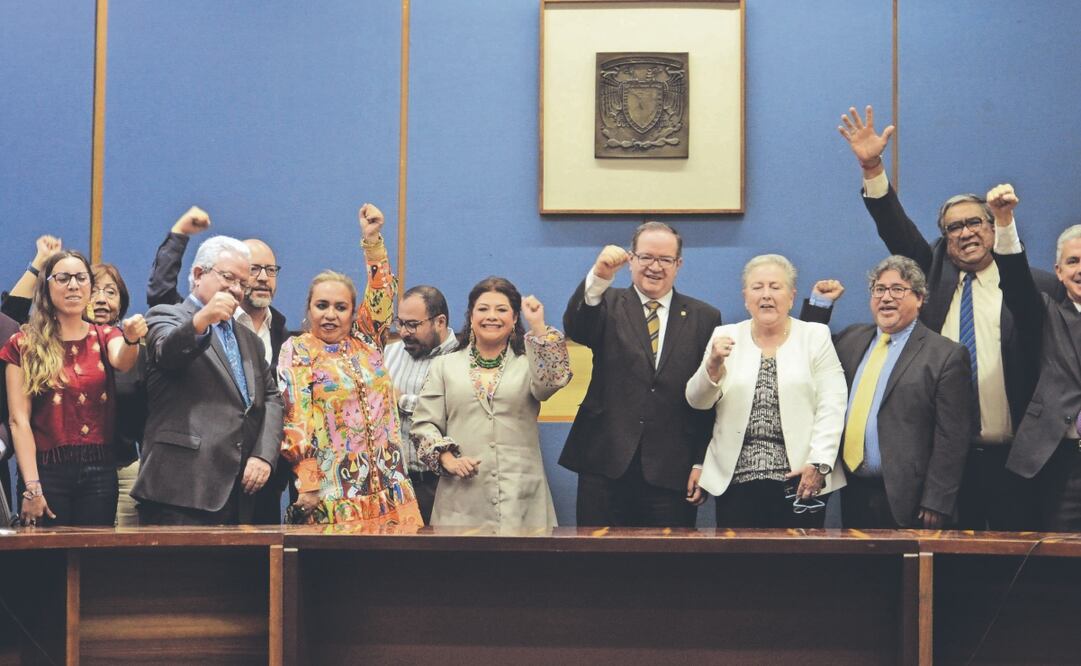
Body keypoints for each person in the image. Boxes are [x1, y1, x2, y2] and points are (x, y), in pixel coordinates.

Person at [838, 105, 1054, 530]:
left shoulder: (1030, 286)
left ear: (993, 228)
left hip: (1014, 458)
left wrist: (1007, 222)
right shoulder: (933, 272)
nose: (965, 232)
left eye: (975, 222)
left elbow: (1026, 303)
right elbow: (895, 227)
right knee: (950, 563)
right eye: (953, 227)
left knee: (1012, 560)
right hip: (941, 463)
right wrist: (872, 167)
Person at [561, 221, 722, 527]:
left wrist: (701, 461)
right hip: (605, 463)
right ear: (631, 259)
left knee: (668, 557)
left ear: (678, 264)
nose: (654, 267)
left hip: (672, 470)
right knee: (596, 555)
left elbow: (709, 395)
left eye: (665, 259)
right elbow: (577, 327)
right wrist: (599, 276)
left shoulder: (705, 317)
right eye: (646, 257)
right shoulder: (606, 302)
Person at [147, 206, 294, 524]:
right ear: (199, 274)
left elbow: (271, 398)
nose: (237, 289)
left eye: (242, 282)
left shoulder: (249, 338)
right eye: (228, 278)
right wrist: (202, 320)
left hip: (242, 492)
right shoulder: (167, 315)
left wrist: (263, 454)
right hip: (182, 490)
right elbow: (168, 354)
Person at [278, 204, 421, 527]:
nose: (331, 314)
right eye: (322, 305)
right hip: (334, 493)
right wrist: (308, 483)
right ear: (309, 309)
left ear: (354, 312)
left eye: (341, 307)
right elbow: (296, 419)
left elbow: (382, 294)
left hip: (391, 486)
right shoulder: (298, 350)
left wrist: (372, 241)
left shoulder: (367, 340)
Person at [802, 256, 971, 528]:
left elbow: (952, 437)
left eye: (897, 289)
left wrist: (937, 500)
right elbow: (809, 356)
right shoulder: (851, 339)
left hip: (911, 498)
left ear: (919, 298)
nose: (886, 297)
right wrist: (820, 305)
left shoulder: (945, 355)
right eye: (879, 289)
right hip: (852, 491)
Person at [684, 255, 847, 528]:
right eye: (757, 287)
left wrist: (819, 463)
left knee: (800, 555)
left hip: (801, 479)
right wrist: (712, 365)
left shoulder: (814, 336)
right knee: (739, 556)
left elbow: (832, 404)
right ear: (745, 297)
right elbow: (697, 402)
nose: (766, 295)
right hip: (735, 480)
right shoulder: (725, 335)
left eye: (775, 286)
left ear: (791, 297)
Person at [411, 277, 571, 529]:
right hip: (461, 500)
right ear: (471, 315)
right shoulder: (444, 366)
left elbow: (554, 380)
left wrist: (538, 326)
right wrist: (447, 459)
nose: (492, 316)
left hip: (521, 498)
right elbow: (423, 424)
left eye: (502, 310)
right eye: (483, 309)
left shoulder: (529, 363)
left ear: (515, 318)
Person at [1, 251, 146, 526]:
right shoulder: (23, 344)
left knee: (95, 552)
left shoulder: (105, 335)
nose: (73, 285)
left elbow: (123, 361)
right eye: (63, 278)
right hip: (45, 473)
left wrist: (131, 339)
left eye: (81, 278)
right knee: (48, 553)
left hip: (100, 473)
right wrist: (32, 488)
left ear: (90, 287)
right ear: (47, 287)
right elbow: (18, 420)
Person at [989, 184, 1081, 531]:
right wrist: (1003, 220)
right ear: (1058, 272)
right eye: (1073, 261)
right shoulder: (1044, 314)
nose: (1080, 269)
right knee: (1056, 558)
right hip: (1057, 463)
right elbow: (1015, 281)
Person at [384, 285, 459, 524]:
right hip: (393, 485)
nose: (403, 332)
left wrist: (400, 400)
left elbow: (455, 408)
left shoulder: (462, 358)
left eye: (413, 325)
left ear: (440, 322)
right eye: (400, 323)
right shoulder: (388, 354)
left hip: (441, 485)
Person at [87, 263, 147, 527]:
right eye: (94, 290)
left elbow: (147, 415)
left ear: (121, 303)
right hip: (75, 473)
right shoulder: (62, 346)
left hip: (124, 468)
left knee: (124, 547)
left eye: (111, 292)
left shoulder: (138, 350)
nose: (102, 299)